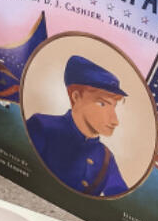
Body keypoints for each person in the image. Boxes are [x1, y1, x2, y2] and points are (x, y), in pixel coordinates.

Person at [26, 55, 130, 197]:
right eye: (102, 104)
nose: (114, 120)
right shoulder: (42, 127)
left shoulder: (105, 156)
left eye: (114, 106)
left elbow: (121, 199)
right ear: (76, 97)